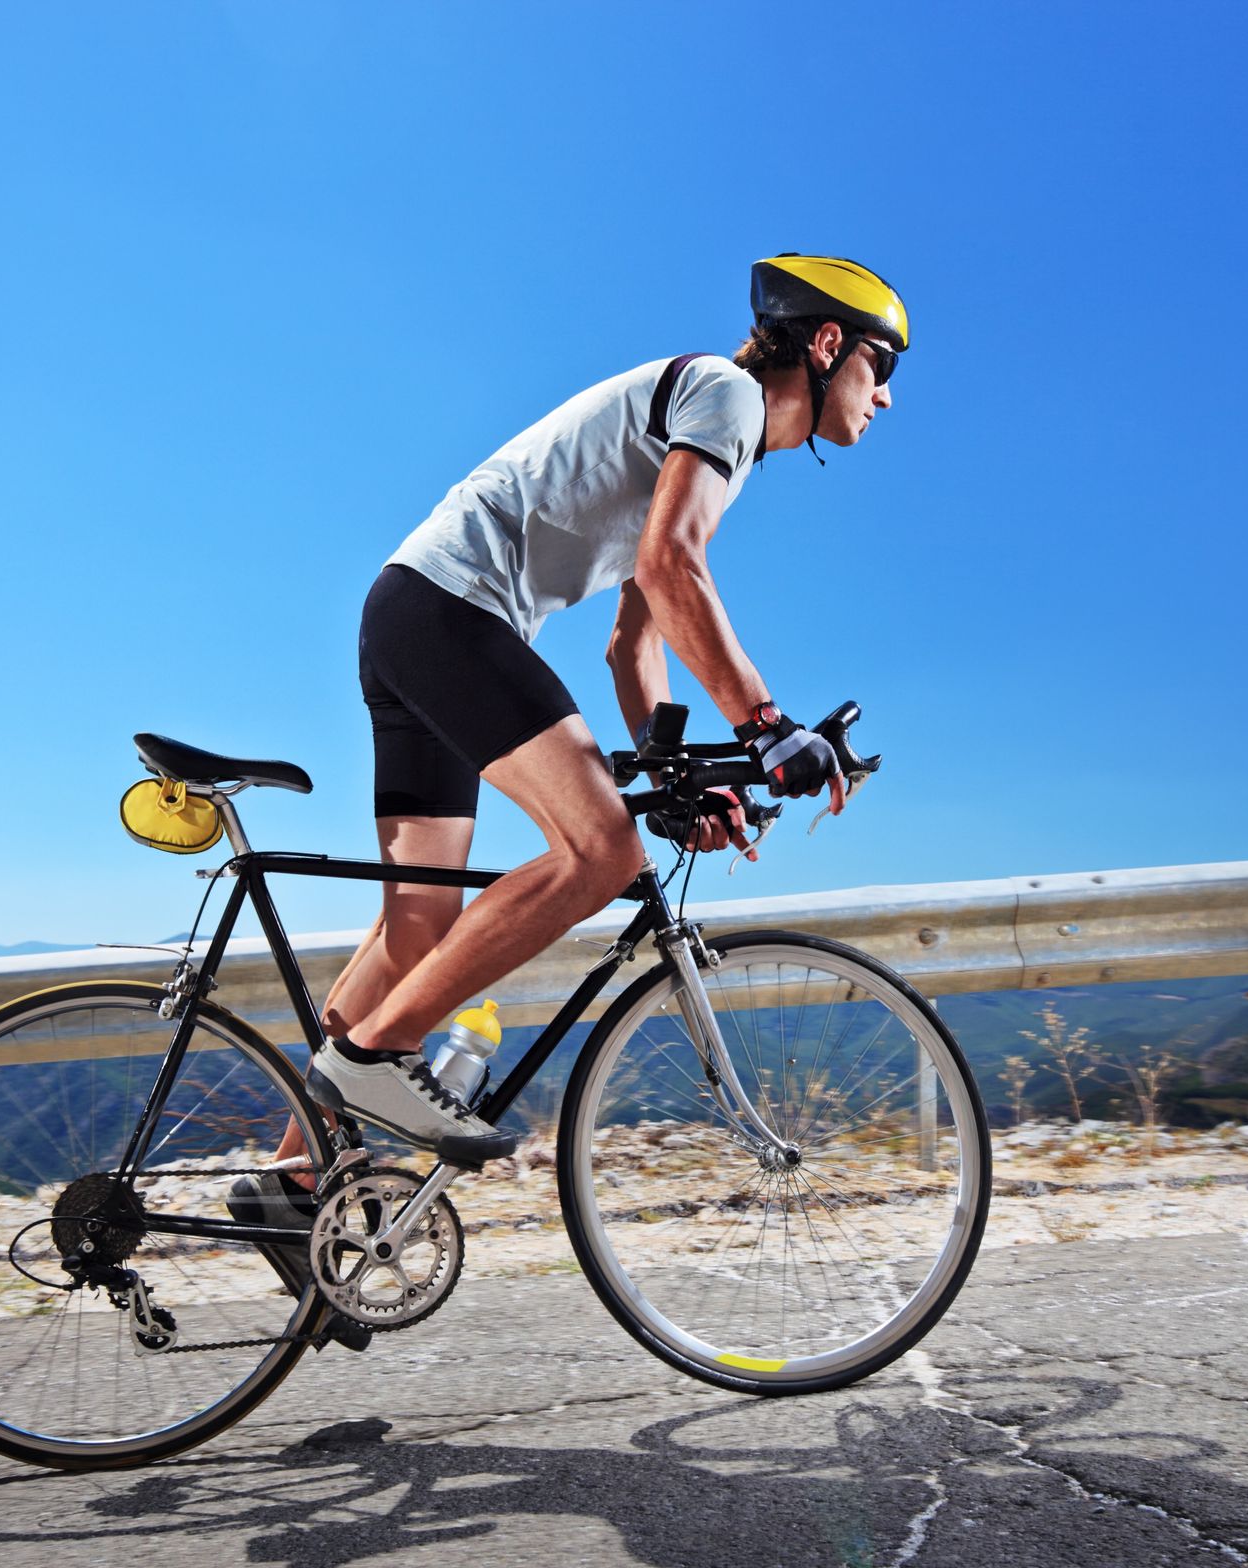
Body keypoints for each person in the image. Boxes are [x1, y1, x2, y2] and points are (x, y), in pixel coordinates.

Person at [232, 254, 906, 1246]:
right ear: (824, 344)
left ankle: (294, 1184)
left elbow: (638, 635)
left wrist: (674, 768)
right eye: (878, 366)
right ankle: (379, 1057)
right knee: (601, 852)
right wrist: (766, 728)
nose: (883, 395)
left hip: (412, 612)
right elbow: (670, 567)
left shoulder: (715, 434)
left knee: (419, 921)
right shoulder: (723, 398)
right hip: (455, 614)